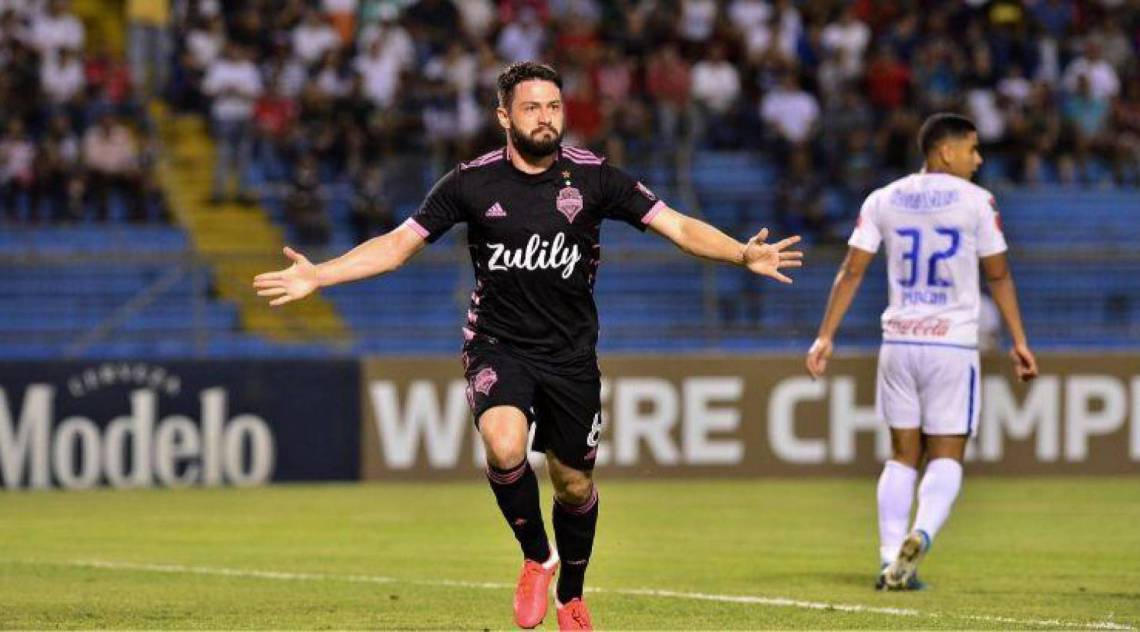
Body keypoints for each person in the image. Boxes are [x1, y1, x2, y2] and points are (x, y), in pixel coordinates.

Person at [253, 61, 803, 630]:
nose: (546, 118)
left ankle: (571, 594)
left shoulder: (595, 176)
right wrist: (321, 275)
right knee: (504, 443)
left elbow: (680, 227)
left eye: (554, 107)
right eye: (532, 108)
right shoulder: (470, 182)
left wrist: (741, 252)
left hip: (571, 356)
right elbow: (396, 246)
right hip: (498, 344)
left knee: (573, 484)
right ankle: (537, 558)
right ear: (504, 117)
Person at [804, 113, 1038, 591]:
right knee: (947, 453)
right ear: (945, 151)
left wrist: (825, 335)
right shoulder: (977, 202)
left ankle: (890, 558)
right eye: (972, 149)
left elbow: (851, 271)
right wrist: (1018, 340)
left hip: (899, 341)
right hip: (950, 343)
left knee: (901, 454)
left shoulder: (883, 199)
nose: (979, 158)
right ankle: (922, 532)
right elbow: (997, 275)